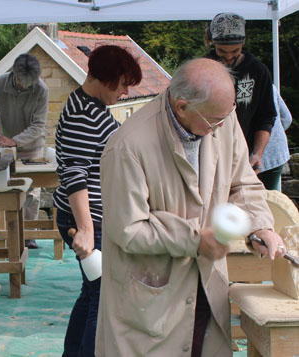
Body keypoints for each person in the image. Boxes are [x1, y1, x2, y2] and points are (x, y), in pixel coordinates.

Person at [95, 58, 286, 356]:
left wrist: (260, 225)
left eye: (227, 116)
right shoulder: (127, 147)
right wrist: (195, 240)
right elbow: (128, 230)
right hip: (151, 297)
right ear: (182, 106)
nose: (220, 127)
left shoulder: (222, 119)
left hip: (207, 287)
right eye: (214, 121)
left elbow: (243, 183)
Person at [53, 45, 142, 356]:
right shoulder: (83, 114)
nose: (126, 91)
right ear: (107, 79)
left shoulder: (92, 105)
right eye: (124, 84)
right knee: (103, 298)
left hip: (91, 218)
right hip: (87, 221)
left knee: (92, 293)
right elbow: (74, 175)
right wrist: (87, 229)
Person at [0, 53, 49, 249]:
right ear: (14, 73)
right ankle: (0, 233)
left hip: (31, 148)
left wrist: (16, 141)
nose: (24, 87)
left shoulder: (41, 90)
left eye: (28, 84)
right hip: (4, 145)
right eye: (21, 82)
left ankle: (29, 235)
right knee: (1, 189)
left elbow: (38, 125)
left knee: (31, 193)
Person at [204, 12, 277, 174]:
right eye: (222, 51)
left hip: (245, 157)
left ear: (243, 42)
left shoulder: (258, 71)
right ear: (213, 43)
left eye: (235, 51)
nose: (228, 57)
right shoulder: (203, 69)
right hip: (209, 156)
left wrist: (257, 154)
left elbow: (266, 116)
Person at [258, 85, 292, 190]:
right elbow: (287, 118)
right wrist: (275, 135)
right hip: (277, 150)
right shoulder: (268, 84)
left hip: (253, 154)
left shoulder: (232, 84)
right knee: (272, 198)